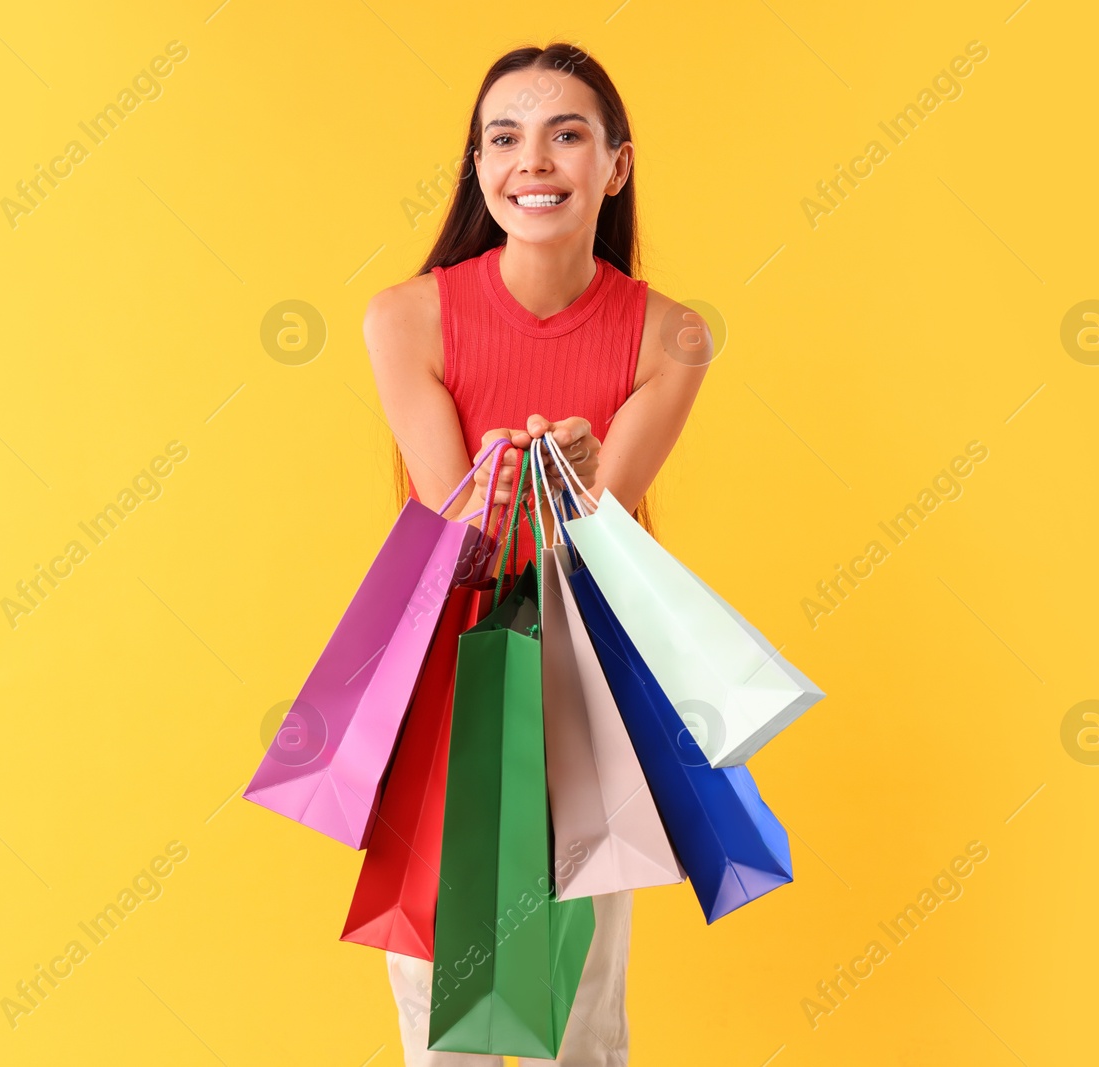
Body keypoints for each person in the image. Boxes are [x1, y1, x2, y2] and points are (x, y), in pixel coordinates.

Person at [363, 41, 713, 1066]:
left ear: (616, 164)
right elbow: (458, 535)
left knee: (583, 977)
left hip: (591, 668)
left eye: (567, 134)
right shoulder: (405, 316)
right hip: (447, 663)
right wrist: (507, 487)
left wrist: (581, 482)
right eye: (504, 139)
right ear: (478, 168)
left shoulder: (673, 337)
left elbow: (600, 535)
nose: (534, 161)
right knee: (440, 979)